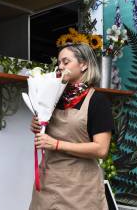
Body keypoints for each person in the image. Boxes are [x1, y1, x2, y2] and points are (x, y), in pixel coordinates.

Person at [29, 43, 114, 210]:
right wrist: (38, 125)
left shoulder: (97, 101)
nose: (60, 67)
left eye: (66, 62)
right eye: (59, 63)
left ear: (84, 64)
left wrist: (56, 144)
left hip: (80, 189)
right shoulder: (52, 97)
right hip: (49, 182)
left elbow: (101, 149)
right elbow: (46, 132)